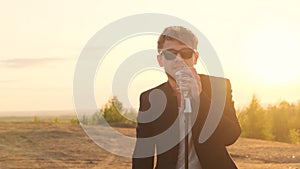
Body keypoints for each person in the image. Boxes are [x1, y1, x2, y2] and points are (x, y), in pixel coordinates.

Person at [132, 26, 241, 169]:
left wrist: (200, 97)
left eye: (186, 53)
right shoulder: (149, 98)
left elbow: (230, 136)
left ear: (195, 58)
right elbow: (143, 154)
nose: (179, 59)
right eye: (170, 54)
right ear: (160, 60)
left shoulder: (219, 87)